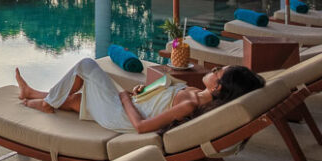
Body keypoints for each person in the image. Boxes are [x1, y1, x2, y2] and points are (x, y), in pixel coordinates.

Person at [14, 58, 265, 134]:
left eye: (218, 72)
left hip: (123, 116)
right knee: (76, 100)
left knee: (86, 66)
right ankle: (33, 93)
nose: (213, 69)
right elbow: (157, 103)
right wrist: (141, 93)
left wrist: (124, 99)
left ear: (218, 87)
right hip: (131, 105)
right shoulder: (195, 94)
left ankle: (46, 103)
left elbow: (143, 126)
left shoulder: (189, 103)